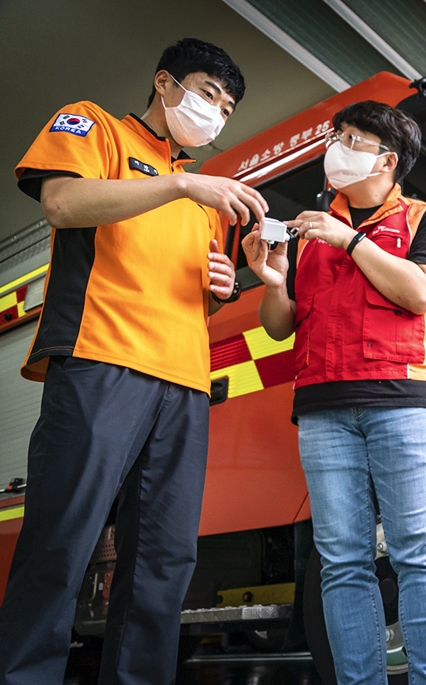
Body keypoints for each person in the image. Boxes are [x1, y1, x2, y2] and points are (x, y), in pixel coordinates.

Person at [0, 38, 267, 685]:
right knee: (63, 538)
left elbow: (187, 294)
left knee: (164, 559)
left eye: (227, 108)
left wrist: (219, 286)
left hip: (184, 384)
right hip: (101, 360)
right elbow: (62, 203)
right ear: (165, 83)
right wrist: (179, 182)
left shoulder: (206, 201)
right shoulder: (95, 126)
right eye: (208, 94)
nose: (216, 114)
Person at [242, 100, 426, 684]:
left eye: (351, 139)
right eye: (335, 136)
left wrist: (350, 240)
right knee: (340, 562)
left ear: (387, 160)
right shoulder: (308, 233)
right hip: (322, 409)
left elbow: (422, 293)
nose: (336, 147)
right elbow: (280, 326)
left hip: (401, 400)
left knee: (419, 550)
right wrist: (272, 283)